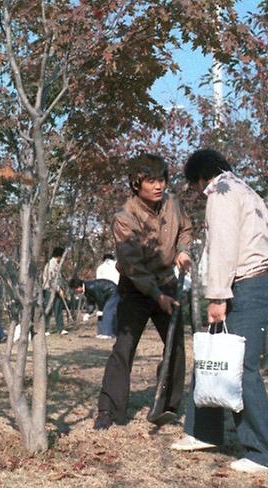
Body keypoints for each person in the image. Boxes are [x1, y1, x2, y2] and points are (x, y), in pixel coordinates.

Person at [171, 149, 268, 473]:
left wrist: (218, 296)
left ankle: (266, 452)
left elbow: (223, 246)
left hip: (244, 287)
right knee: (212, 357)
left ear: (200, 178)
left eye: (194, 187)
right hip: (255, 285)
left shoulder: (221, 193)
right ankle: (202, 431)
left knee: (240, 369)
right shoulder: (247, 191)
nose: (197, 193)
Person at [95, 153, 192, 430]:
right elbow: (132, 266)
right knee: (124, 348)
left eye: (161, 179)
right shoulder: (125, 218)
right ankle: (109, 410)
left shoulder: (172, 203)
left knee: (175, 346)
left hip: (167, 283)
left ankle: (167, 405)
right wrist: (156, 295)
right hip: (136, 288)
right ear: (137, 184)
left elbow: (185, 229)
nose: (158, 186)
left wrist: (182, 252)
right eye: (151, 181)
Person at [42, 247, 67, 335]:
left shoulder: (57, 264)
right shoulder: (51, 264)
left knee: (58, 309)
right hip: (49, 289)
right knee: (48, 309)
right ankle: (45, 329)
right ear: (59, 256)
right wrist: (58, 289)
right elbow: (51, 280)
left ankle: (61, 328)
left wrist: (61, 289)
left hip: (57, 290)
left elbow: (59, 279)